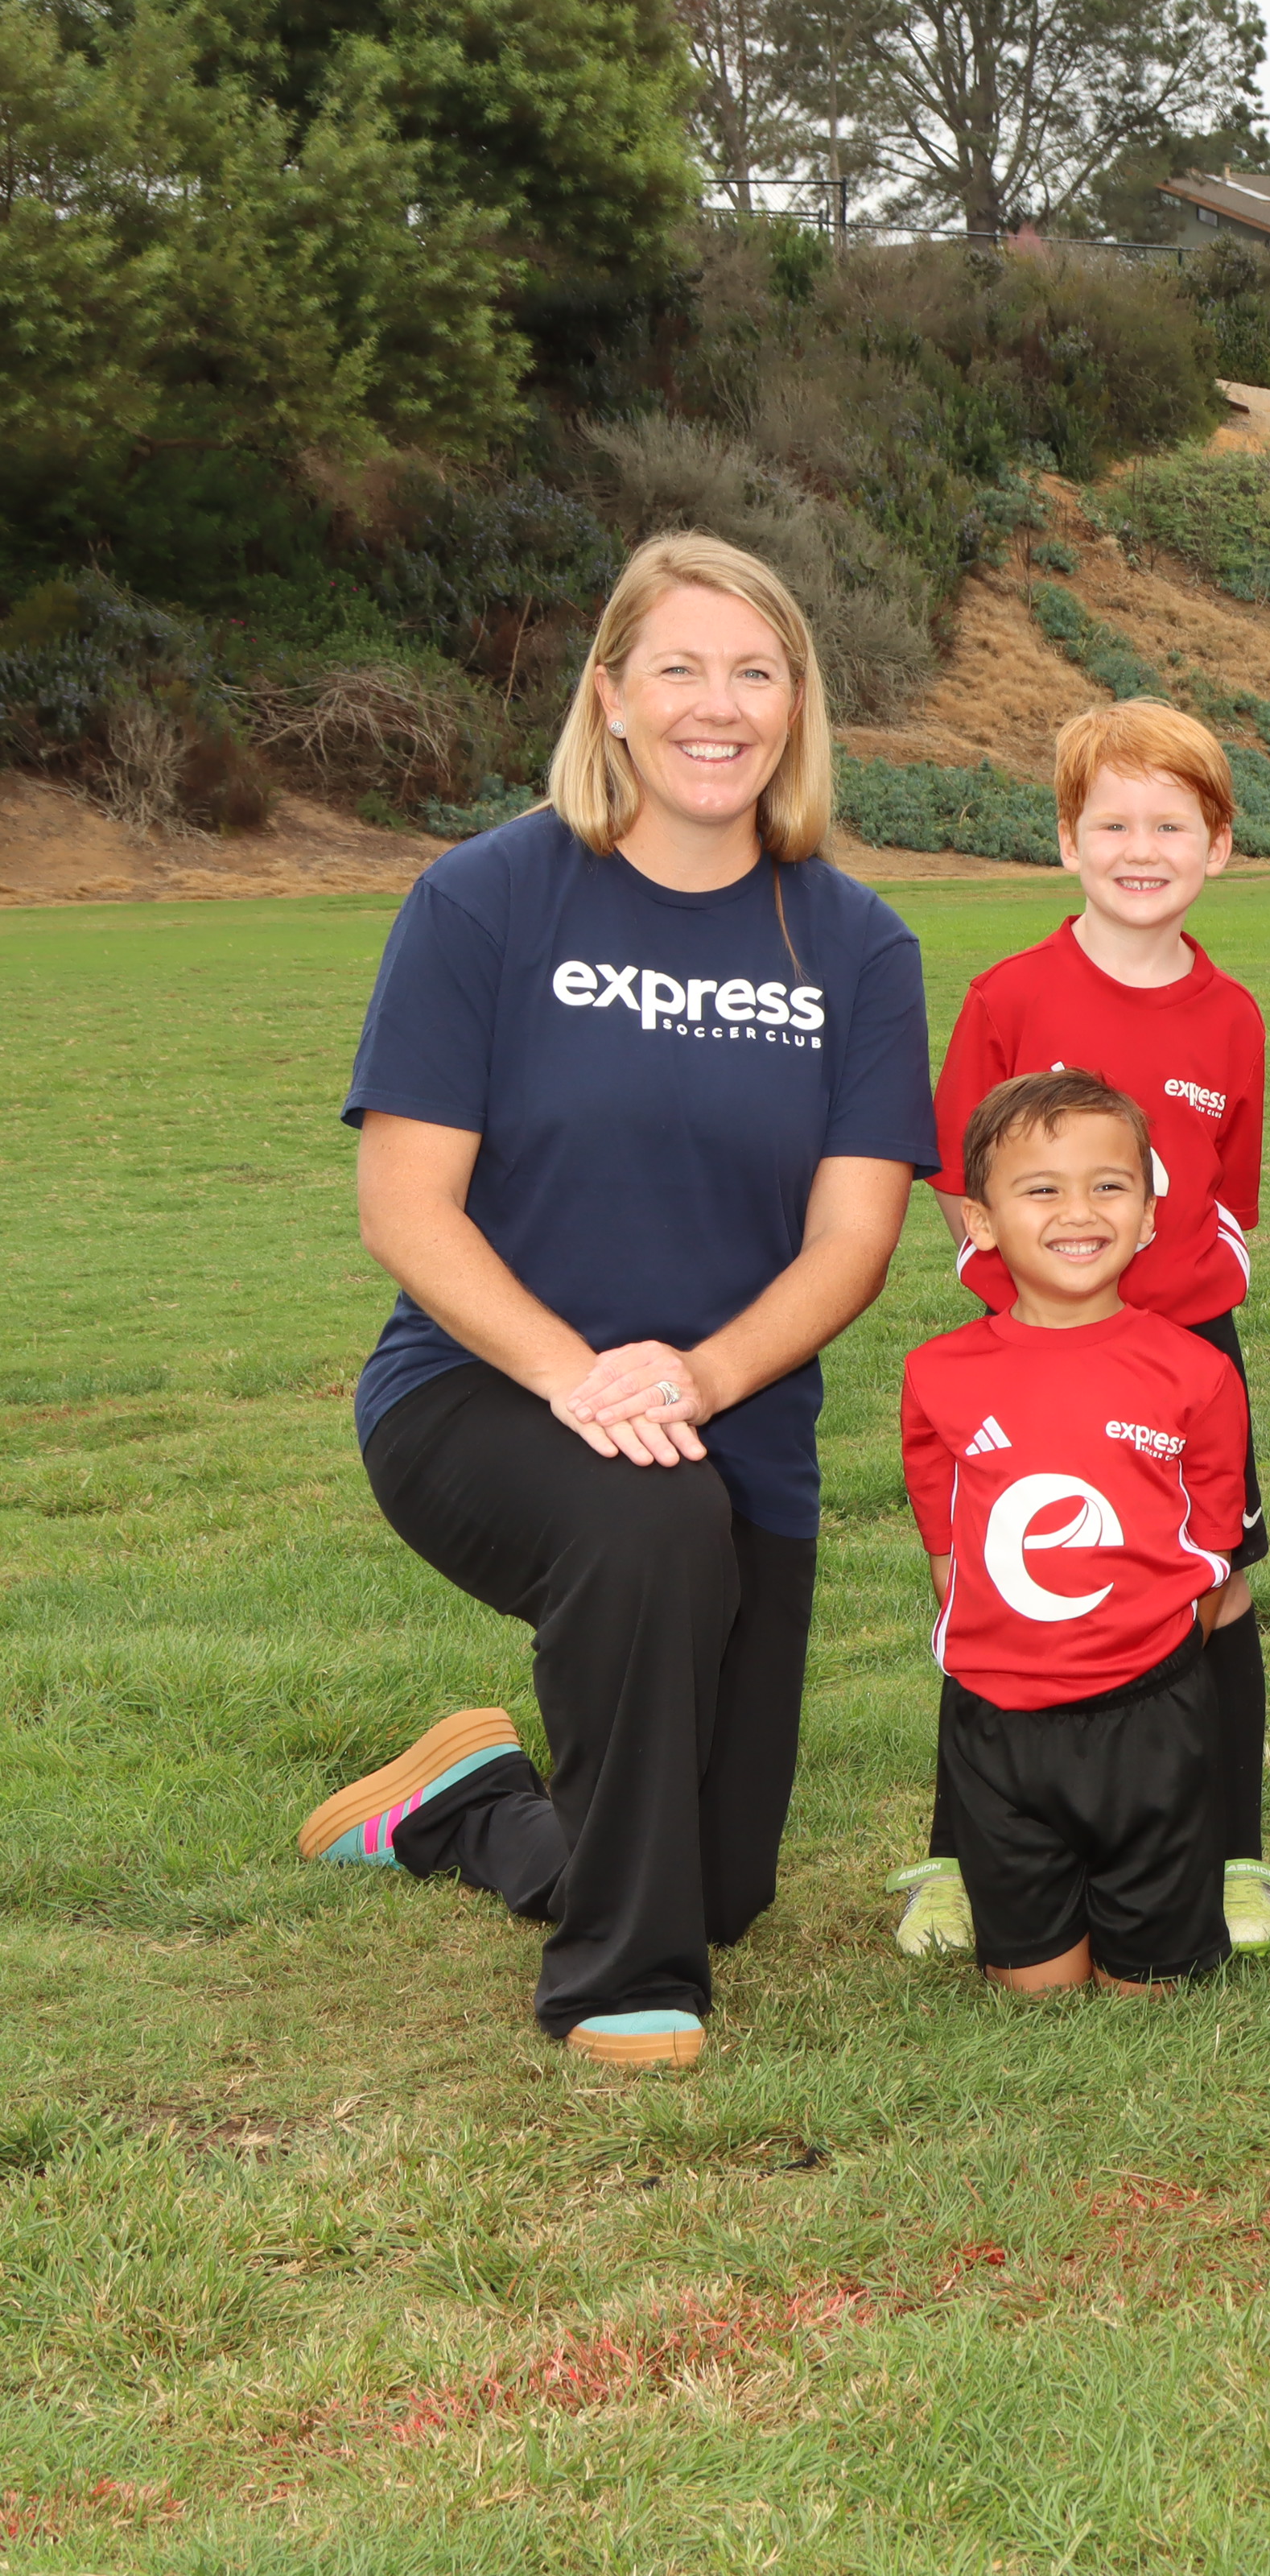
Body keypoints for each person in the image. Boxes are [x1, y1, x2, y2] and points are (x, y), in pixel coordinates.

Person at [300, 530, 935, 2070]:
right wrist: (577, 1375)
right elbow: (405, 1207)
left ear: (797, 706)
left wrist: (698, 1381)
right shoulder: (487, 900)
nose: (720, 707)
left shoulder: (855, 941)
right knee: (646, 1519)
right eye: (681, 669)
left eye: (757, 673)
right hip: (484, 1393)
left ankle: (465, 1805)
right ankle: (621, 1982)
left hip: (735, 1423)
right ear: (611, 695)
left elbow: (854, 1239)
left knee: (716, 1882)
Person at [885, 700, 1270, 1963]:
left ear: (1218, 847)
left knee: (1216, 1587)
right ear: (1067, 842)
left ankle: (1228, 1853)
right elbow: (960, 1175)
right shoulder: (1011, 995)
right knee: (1005, 1581)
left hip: (1185, 1354)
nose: (1141, 850)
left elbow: (1227, 1191)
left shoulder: (1232, 1014)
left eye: (1172, 825)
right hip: (1035, 1359)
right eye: (1112, 824)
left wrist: (1192, 1295)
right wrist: (1022, 1295)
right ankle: (964, 1857)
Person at [903, 1071, 1249, 1995]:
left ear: (1147, 1214)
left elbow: (1214, 1546)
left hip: (1149, 1713)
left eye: (1109, 1184)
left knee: (1153, 1986)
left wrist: (1154, 1667)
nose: (1079, 1211)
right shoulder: (938, 1373)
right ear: (981, 1222)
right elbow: (946, 1548)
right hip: (1000, 1720)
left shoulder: (1198, 1372)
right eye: (1042, 1188)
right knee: (1040, 1990)